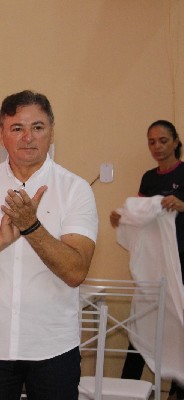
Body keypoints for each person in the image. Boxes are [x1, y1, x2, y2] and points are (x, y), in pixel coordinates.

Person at [0, 90, 98, 400]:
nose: (28, 137)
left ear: (51, 131)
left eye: (37, 127)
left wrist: (31, 227)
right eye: (17, 128)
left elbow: (75, 271)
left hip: (53, 347)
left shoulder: (75, 189)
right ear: (0, 134)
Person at [110, 120, 184, 400]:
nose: (157, 147)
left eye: (163, 140)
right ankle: (126, 388)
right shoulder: (149, 179)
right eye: (151, 141)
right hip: (156, 267)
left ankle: (178, 388)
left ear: (176, 141)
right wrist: (122, 218)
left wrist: (182, 205)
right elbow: (140, 216)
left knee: (179, 324)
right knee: (143, 322)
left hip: (182, 264)